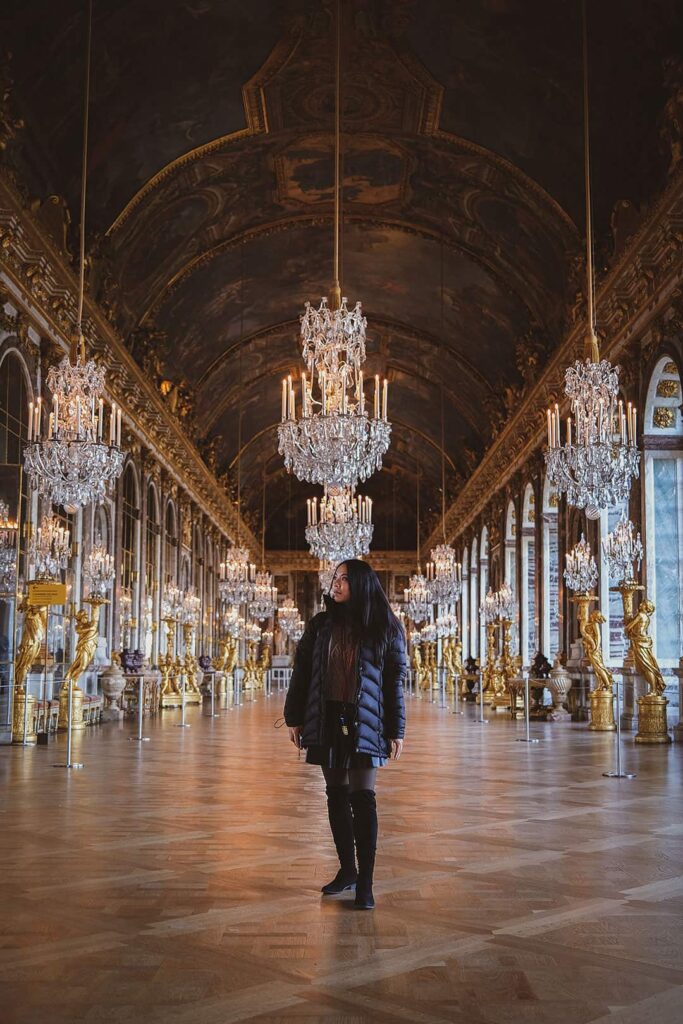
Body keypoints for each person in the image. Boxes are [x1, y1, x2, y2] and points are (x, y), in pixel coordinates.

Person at [284, 559, 407, 910]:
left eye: (344, 579)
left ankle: (366, 882)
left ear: (362, 584)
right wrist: (294, 716)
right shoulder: (321, 625)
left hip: (365, 721)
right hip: (326, 718)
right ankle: (347, 871)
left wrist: (396, 728)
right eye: (335, 578)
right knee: (335, 794)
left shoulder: (385, 627)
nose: (335, 584)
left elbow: (392, 682)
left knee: (363, 799)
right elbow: (302, 673)